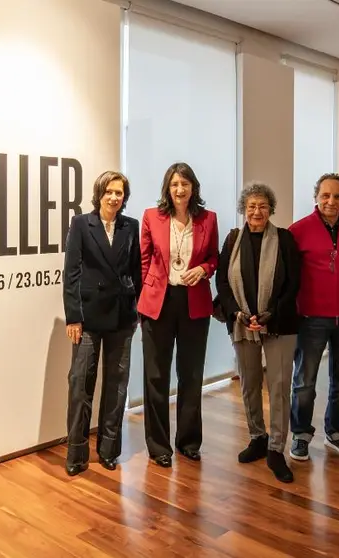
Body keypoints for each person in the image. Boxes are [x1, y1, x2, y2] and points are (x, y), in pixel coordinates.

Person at [215, 182, 300, 483]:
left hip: (279, 324)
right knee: (249, 383)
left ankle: (277, 449)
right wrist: (237, 313)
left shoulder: (285, 239)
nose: (257, 211)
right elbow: (222, 283)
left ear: (271, 209)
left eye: (263, 205)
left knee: (278, 387)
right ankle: (258, 438)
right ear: (243, 209)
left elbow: (293, 284)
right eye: (251, 206)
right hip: (242, 323)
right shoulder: (232, 240)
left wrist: (271, 313)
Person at [137, 162, 219, 468]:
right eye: (174, 184)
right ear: (167, 189)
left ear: (193, 187)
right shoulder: (151, 216)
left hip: (194, 302)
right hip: (159, 302)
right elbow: (143, 261)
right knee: (155, 376)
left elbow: (213, 257)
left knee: (191, 375)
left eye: (185, 184)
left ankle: (188, 442)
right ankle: (158, 446)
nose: (180, 189)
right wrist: (145, 297)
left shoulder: (208, 219)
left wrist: (204, 269)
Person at [62, 170, 143, 476]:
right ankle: (77, 453)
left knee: (117, 386)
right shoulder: (82, 224)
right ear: (99, 194)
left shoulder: (130, 226)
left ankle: (109, 450)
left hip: (122, 316)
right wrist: (73, 316)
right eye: (109, 191)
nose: (113, 197)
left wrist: (136, 311)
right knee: (81, 385)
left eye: (119, 192)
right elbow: (71, 273)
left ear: (124, 197)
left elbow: (136, 272)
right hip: (88, 318)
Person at [286, 173, 339, 462]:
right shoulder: (298, 231)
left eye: (337, 196)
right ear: (316, 197)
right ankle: (301, 435)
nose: (331, 201)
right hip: (310, 317)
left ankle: (336, 433)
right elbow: (290, 275)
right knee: (304, 381)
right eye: (326, 196)